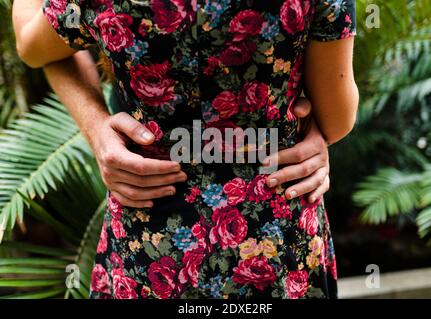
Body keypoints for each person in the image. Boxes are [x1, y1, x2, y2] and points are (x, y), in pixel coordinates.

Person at [13, 0, 358, 299]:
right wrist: (307, 120)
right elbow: (336, 118)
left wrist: (96, 125)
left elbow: (32, 45)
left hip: (151, 239)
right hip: (274, 234)